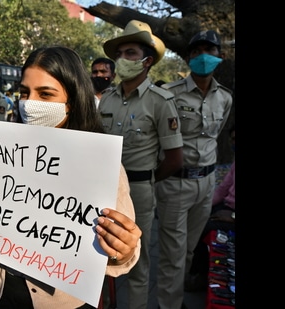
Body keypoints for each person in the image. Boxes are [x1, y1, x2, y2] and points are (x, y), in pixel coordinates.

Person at [0, 45, 142, 308]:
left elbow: (122, 256)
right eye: (25, 92)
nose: (30, 103)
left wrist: (122, 251)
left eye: (45, 94)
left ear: (73, 99)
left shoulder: (102, 165)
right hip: (1, 292)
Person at [99, 20, 184, 309]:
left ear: (147, 61)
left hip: (139, 189)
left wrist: (146, 180)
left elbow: (174, 158)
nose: (122, 59)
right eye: (120, 53)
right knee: (100, 253)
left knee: (135, 260)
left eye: (130, 53)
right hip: (102, 188)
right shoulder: (107, 99)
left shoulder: (161, 101)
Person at [155, 30, 233, 309]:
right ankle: (169, 305)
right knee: (172, 254)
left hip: (207, 183)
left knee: (188, 250)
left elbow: (215, 135)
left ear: (219, 56)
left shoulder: (225, 98)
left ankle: (176, 297)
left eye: (209, 50)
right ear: (188, 57)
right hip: (176, 183)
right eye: (196, 51)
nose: (203, 56)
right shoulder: (169, 95)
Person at [185, 124, 235, 292]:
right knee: (196, 219)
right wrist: (202, 206)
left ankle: (201, 276)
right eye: (232, 139)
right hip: (226, 206)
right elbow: (222, 189)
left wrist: (233, 216)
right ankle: (194, 272)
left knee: (204, 229)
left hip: (232, 214)